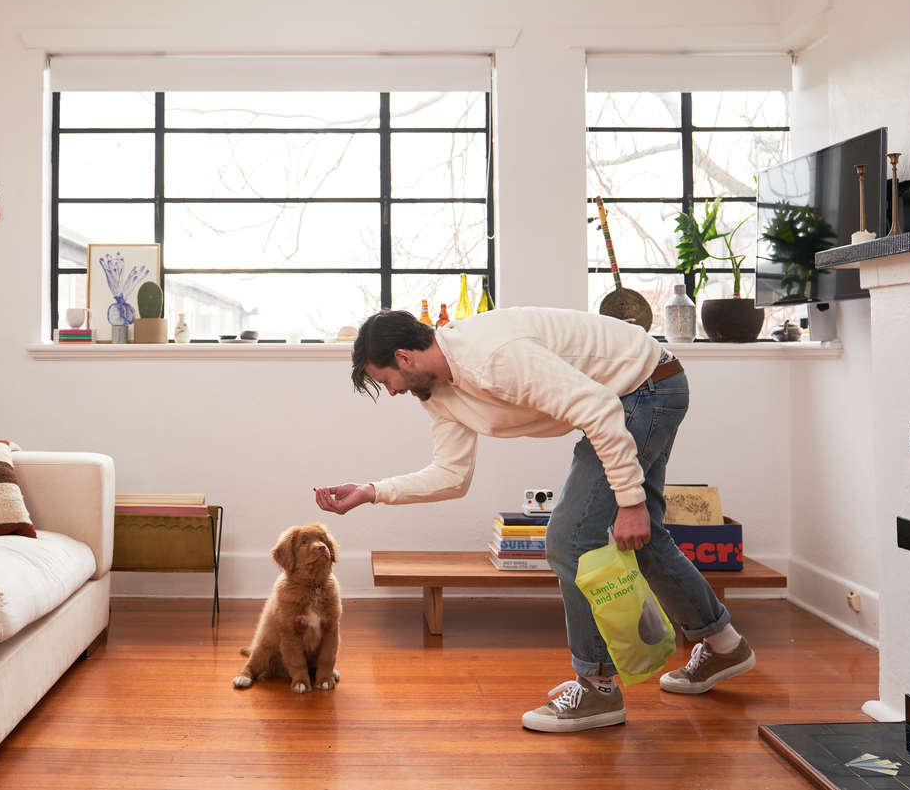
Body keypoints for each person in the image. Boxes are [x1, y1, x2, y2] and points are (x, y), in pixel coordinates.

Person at [314, 306, 756, 733]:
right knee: (642, 538)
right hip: (633, 390)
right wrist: (371, 491)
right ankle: (724, 646)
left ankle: (598, 687)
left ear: (404, 358)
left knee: (568, 539)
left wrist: (631, 501)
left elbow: (599, 410)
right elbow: (451, 476)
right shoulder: (440, 391)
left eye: (386, 380)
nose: (392, 391)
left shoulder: (493, 357)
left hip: (644, 386)